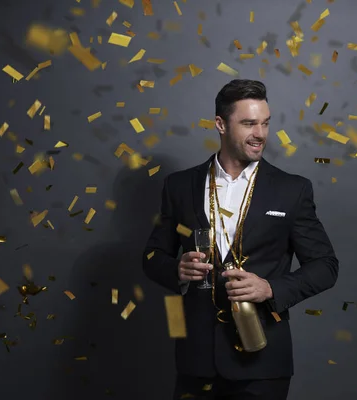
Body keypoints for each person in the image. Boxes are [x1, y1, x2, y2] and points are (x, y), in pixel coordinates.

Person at [143, 79, 339, 400]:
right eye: (249, 123)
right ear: (220, 124)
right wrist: (176, 269)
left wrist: (271, 289)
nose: (260, 134)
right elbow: (152, 256)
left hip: (262, 362)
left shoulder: (292, 189)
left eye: (265, 123)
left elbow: (326, 266)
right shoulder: (179, 186)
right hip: (196, 359)